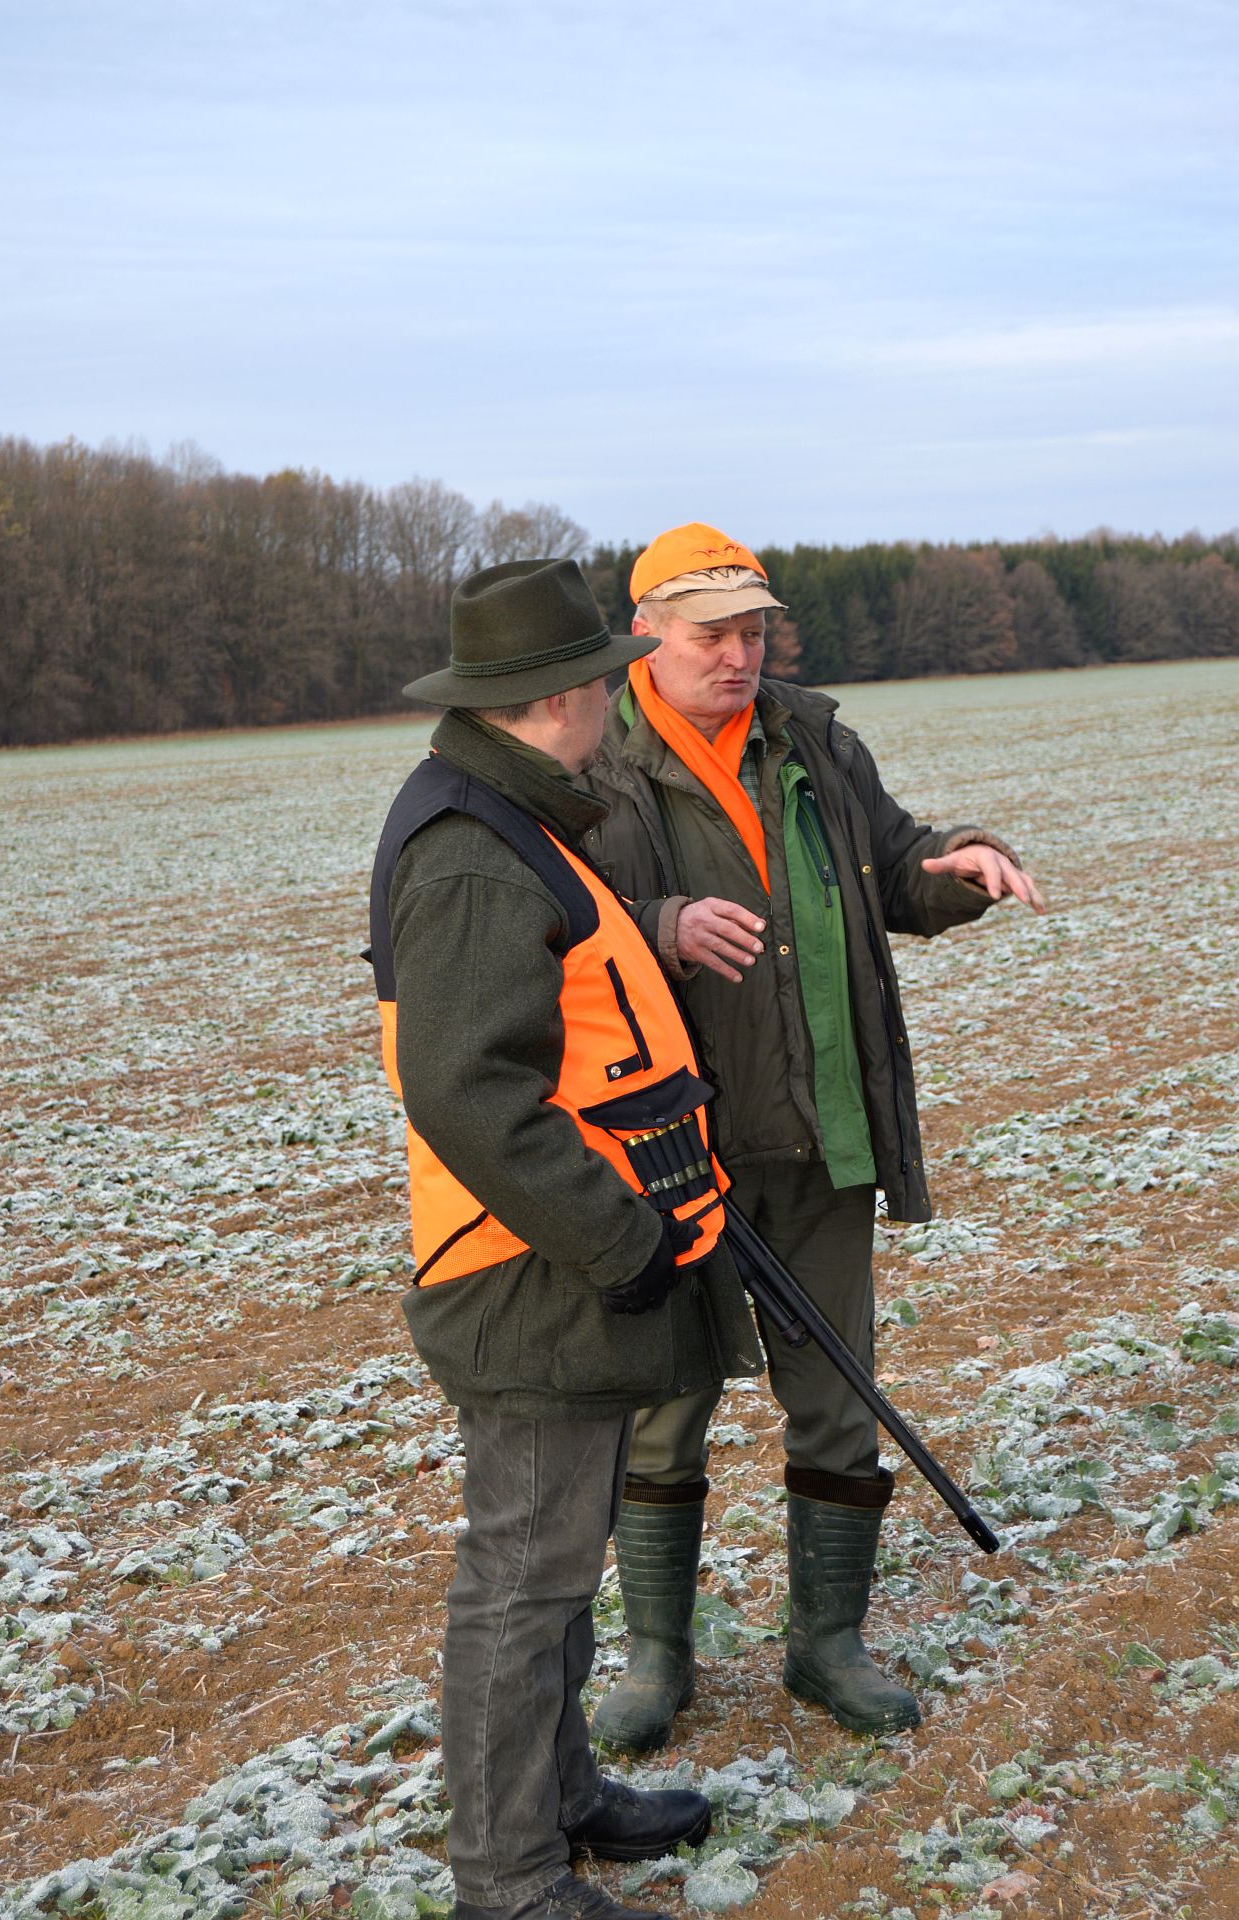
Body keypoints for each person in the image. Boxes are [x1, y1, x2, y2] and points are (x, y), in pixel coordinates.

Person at [582, 523, 1045, 1750]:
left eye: (752, 629)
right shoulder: (591, 756)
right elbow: (544, 921)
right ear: (645, 633)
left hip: (819, 1131)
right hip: (662, 1152)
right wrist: (659, 923)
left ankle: (826, 1644)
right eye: (710, 633)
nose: (738, 653)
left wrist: (958, 863)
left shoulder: (811, 737)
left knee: (836, 1403)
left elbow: (892, 863)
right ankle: (655, 1657)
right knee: (661, 1408)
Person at [368, 556, 763, 1920]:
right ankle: (509, 1880)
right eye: (602, 677)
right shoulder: (472, 854)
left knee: (555, 1571)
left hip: (555, 1262)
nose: (613, 696)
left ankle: (562, 1798)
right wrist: (619, 1240)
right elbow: (467, 1093)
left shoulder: (509, 815)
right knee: (521, 1587)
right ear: (555, 700)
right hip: (527, 1273)